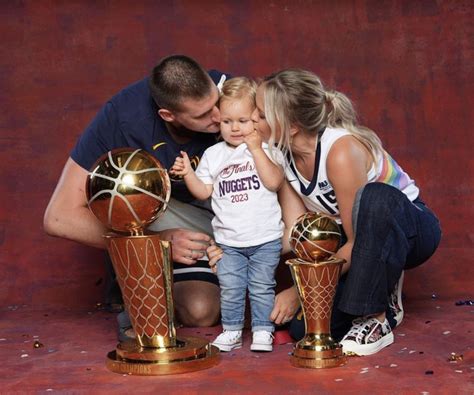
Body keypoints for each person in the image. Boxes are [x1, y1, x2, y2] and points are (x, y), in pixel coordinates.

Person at [249, 68, 442, 356]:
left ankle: (376, 318)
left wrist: (300, 292)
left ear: (290, 127)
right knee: (305, 330)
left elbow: (357, 241)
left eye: (261, 114)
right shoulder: (281, 153)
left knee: (375, 198)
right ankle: (382, 283)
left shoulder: (340, 150)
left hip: (408, 229)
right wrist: (241, 252)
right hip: (351, 242)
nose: (252, 118)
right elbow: (299, 232)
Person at [43, 55, 231, 339]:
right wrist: (157, 244)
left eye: (216, 103)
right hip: (163, 216)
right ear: (168, 115)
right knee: (199, 310)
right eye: (203, 116)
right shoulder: (123, 116)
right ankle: (136, 267)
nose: (218, 118)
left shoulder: (234, 92)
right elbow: (59, 217)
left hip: (227, 207)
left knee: (206, 312)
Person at [170, 77, 285, 352]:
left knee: (260, 287)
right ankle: (232, 330)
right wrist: (188, 173)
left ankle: (262, 331)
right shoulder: (213, 154)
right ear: (218, 121)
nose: (235, 128)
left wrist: (256, 149)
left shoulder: (268, 149)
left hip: (265, 237)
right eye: (227, 121)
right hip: (228, 241)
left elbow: (274, 182)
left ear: (257, 119)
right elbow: (202, 191)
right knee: (231, 288)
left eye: (243, 120)